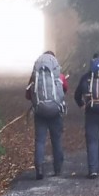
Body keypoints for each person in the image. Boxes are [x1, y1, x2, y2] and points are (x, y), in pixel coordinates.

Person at [26, 50, 68, 180]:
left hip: (40, 112)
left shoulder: (35, 77)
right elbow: (65, 89)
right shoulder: (58, 76)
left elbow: (27, 95)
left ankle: (39, 168)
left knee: (40, 141)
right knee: (56, 140)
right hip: (55, 111)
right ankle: (58, 168)